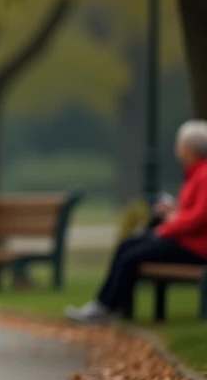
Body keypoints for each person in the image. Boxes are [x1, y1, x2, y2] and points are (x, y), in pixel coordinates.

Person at [65, 120, 207, 324]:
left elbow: (200, 217)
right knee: (127, 245)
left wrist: (167, 227)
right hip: (185, 241)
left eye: (180, 144)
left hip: (195, 248)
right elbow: (191, 212)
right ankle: (103, 305)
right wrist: (173, 211)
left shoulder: (203, 174)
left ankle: (108, 308)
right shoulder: (195, 174)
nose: (177, 148)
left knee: (131, 257)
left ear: (190, 148)